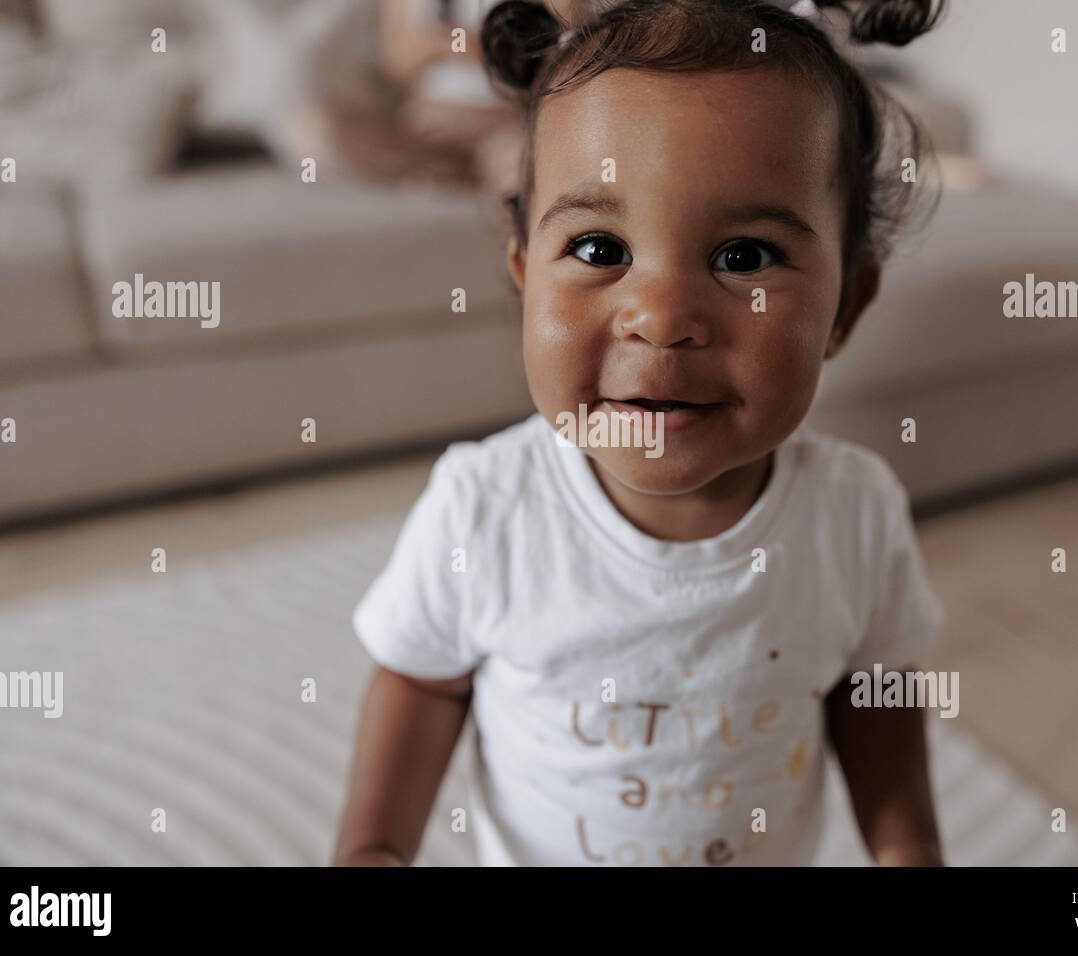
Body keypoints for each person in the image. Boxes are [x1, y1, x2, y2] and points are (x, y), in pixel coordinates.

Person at [335, 0, 949, 867]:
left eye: (743, 257)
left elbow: (871, 683)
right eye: (597, 249)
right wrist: (373, 847)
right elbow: (423, 679)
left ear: (846, 305)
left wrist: (908, 842)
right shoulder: (485, 509)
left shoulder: (855, 511)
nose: (660, 320)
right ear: (523, 274)